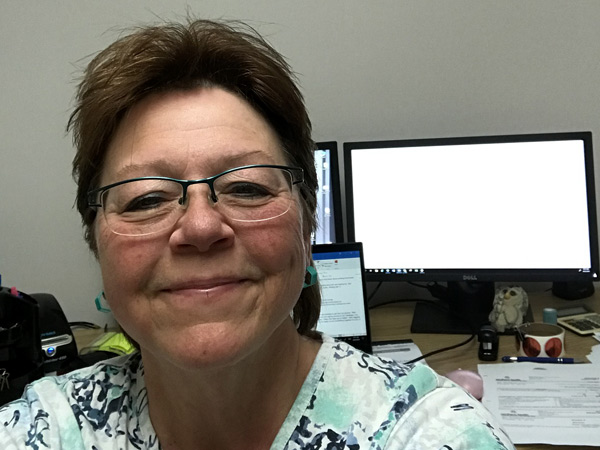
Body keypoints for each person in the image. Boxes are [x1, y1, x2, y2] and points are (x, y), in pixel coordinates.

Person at [0, 18, 515, 449]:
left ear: (307, 222)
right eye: (148, 198)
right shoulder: (44, 431)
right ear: (97, 240)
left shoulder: (431, 434)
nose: (201, 227)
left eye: (246, 188)